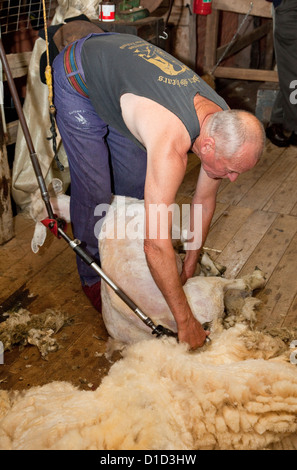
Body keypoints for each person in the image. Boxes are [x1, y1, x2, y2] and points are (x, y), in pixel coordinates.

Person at [51, 32, 265, 350]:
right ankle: (92, 276)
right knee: (96, 190)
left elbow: (204, 200)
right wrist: (186, 323)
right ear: (207, 145)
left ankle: (120, 254)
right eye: (231, 170)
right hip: (79, 75)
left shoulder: (220, 121)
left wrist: (189, 266)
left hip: (122, 78)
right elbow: (155, 245)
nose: (232, 178)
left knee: (137, 184)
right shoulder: (171, 146)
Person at [265, 0, 297, 147]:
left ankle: (277, 120)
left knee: (290, 70)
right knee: (292, 71)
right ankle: (294, 126)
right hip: (290, 9)